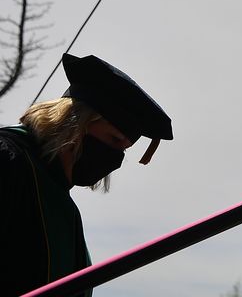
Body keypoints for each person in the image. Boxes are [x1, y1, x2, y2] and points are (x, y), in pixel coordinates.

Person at [0, 52, 173, 297]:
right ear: (73, 121)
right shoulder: (8, 160)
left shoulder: (65, 210)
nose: (115, 158)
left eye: (124, 149)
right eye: (113, 139)